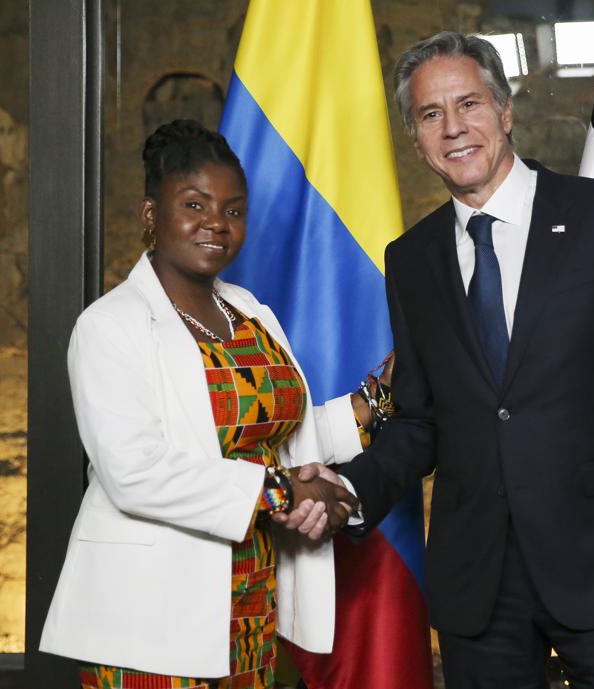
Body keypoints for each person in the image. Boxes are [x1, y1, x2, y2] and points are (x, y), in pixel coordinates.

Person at [287, 32, 594, 688]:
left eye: (469, 104)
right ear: (415, 136)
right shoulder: (411, 259)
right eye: (430, 114)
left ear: (505, 112)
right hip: (476, 586)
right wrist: (351, 487)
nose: (453, 128)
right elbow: (421, 420)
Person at [39, 119, 366, 689]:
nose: (216, 222)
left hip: (250, 601)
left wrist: (371, 404)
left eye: (233, 210)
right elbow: (134, 471)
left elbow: (278, 432)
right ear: (150, 215)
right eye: (195, 204)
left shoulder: (249, 312)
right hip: (148, 616)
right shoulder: (109, 326)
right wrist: (283, 490)